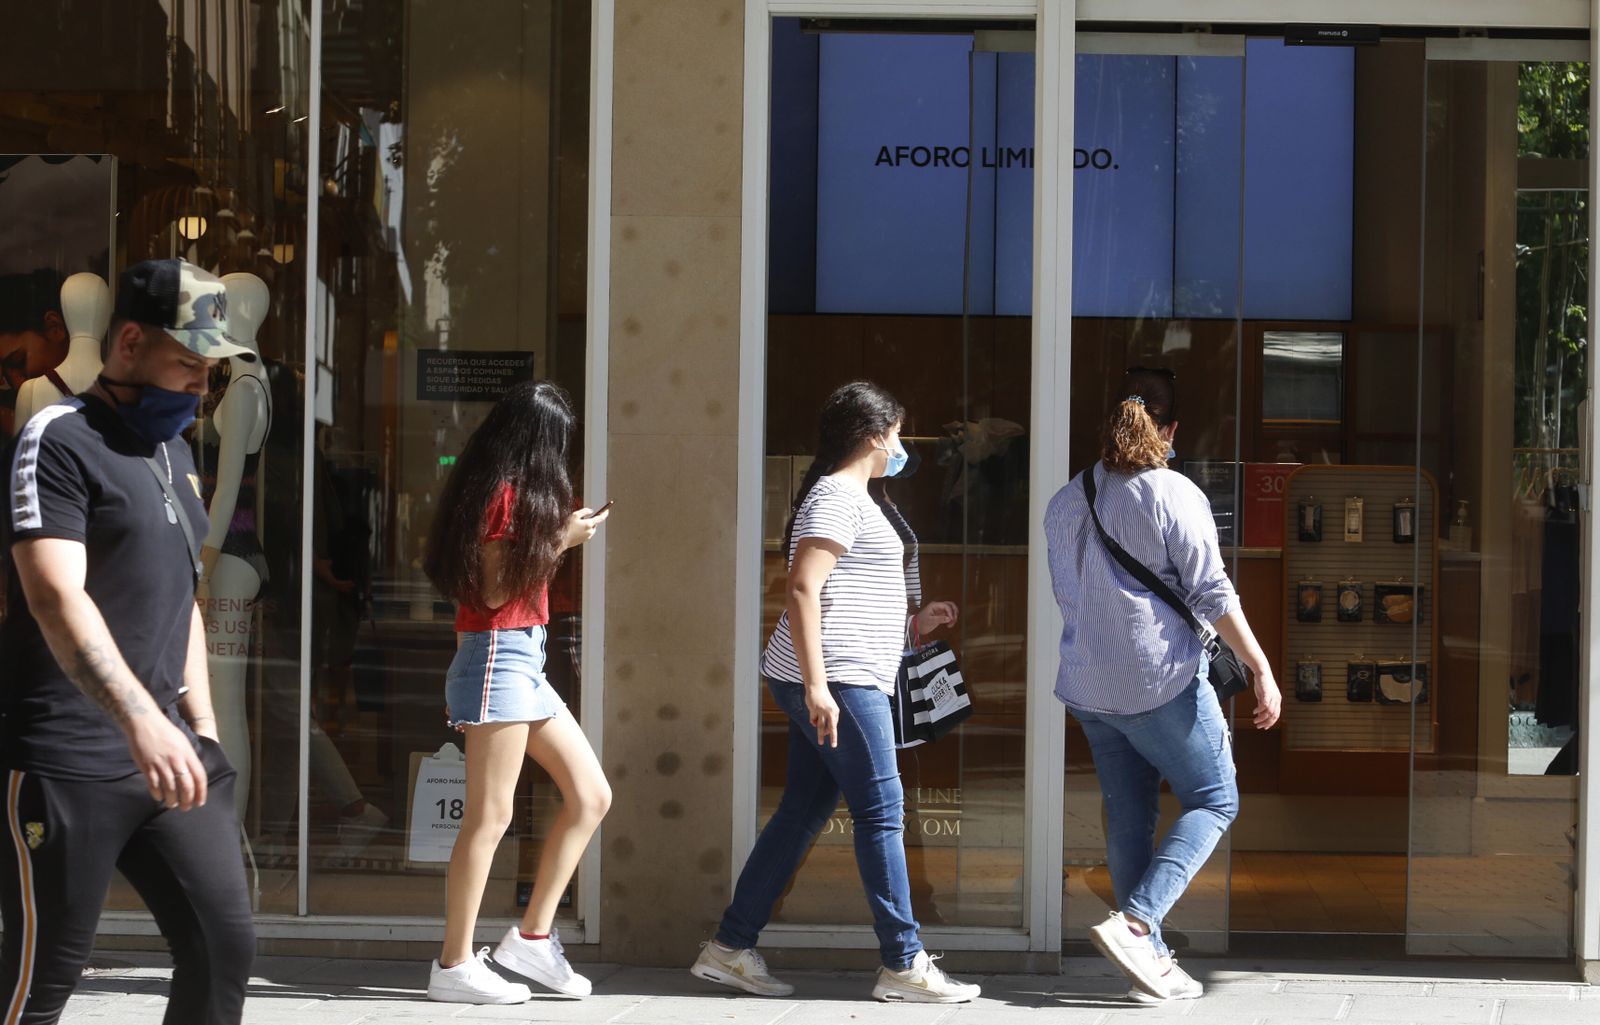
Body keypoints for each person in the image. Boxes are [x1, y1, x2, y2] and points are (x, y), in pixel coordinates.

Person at [0, 258, 259, 1024]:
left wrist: (201, 728)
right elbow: (54, 593)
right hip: (69, 755)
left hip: (173, 752)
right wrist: (140, 720)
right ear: (130, 343)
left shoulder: (175, 451)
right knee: (41, 981)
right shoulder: (58, 438)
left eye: (210, 371)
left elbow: (179, 596)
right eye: (187, 363)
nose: (198, 387)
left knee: (223, 944)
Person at [690, 381, 980, 1004]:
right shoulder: (838, 496)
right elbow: (801, 588)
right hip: (838, 680)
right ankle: (903, 964)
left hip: (840, 675)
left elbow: (845, 595)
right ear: (875, 435)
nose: (901, 446)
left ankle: (729, 947)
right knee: (882, 812)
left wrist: (913, 624)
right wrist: (819, 687)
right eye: (898, 434)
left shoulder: (856, 498)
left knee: (802, 810)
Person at [1045, 367, 1280, 1004]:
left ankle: (1144, 962)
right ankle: (1137, 923)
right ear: (1170, 430)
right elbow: (1213, 592)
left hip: (1089, 687)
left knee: (1130, 817)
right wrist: (1260, 668)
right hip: (1158, 680)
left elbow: (1070, 596)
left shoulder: (1066, 500)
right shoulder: (1171, 492)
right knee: (1215, 799)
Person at [422, 380, 611, 1005]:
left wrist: (556, 533)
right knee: (490, 816)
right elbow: (497, 594)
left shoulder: (501, 491)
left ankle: (531, 940)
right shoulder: (503, 497)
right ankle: (453, 964)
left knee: (590, 795)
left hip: (519, 658)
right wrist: (562, 540)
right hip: (499, 656)